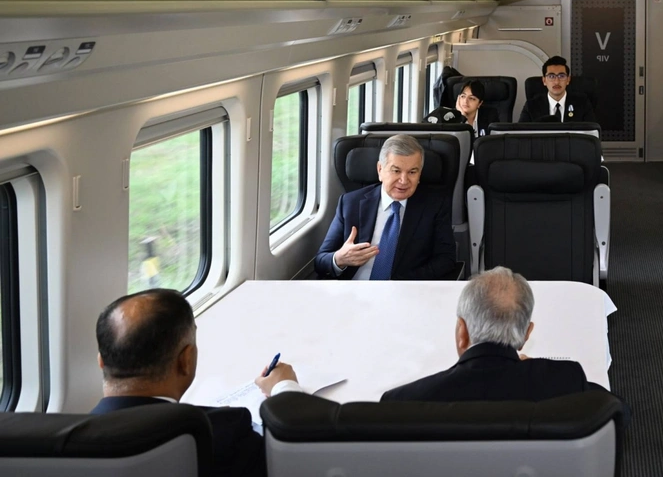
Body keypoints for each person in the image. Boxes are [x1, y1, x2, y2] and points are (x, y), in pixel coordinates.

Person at [91, 288, 301, 477]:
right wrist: (286, 391)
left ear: (101, 361)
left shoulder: (72, 440)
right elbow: (298, 461)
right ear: (186, 360)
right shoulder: (224, 431)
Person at [382, 267, 615, 403]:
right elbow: (616, 411)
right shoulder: (566, 382)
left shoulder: (403, 402)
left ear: (462, 332)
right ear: (526, 335)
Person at [314, 133, 456, 280]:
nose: (404, 180)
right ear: (380, 170)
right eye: (396, 171)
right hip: (353, 288)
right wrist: (340, 259)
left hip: (406, 288)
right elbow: (321, 261)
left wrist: (401, 284)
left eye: (412, 172)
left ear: (419, 174)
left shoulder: (434, 206)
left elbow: (446, 259)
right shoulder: (350, 203)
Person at [517, 56, 598, 123]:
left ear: (568, 80)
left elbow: (592, 133)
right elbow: (521, 134)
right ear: (544, 81)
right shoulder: (532, 105)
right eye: (551, 76)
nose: (556, 82)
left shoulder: (582, 103)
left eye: (561, 76)